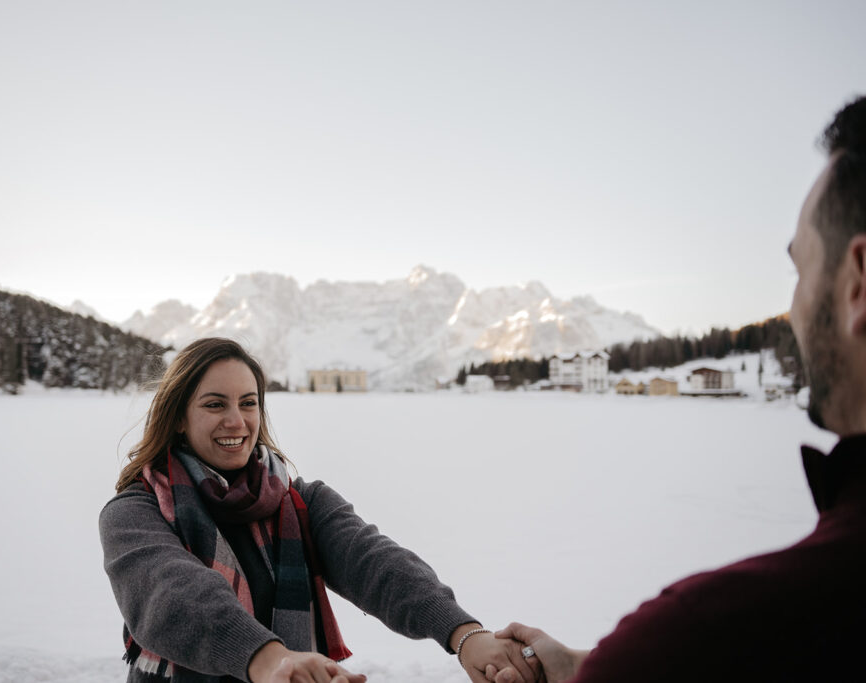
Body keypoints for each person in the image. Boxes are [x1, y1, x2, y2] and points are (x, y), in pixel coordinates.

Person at [487, 95, 866, 682]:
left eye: (800, 269)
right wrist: (587, 668)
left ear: (858, 282)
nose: (790, 309)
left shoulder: (710, 630)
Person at [100, 337, 538, 683]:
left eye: (248, 403)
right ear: (178, 416)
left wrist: (464, 634)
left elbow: (376, 564)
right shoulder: (135, 513)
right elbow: (173, 596)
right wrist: (268, 660)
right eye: (215, 404)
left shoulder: (300, 502)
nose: (237, 421)